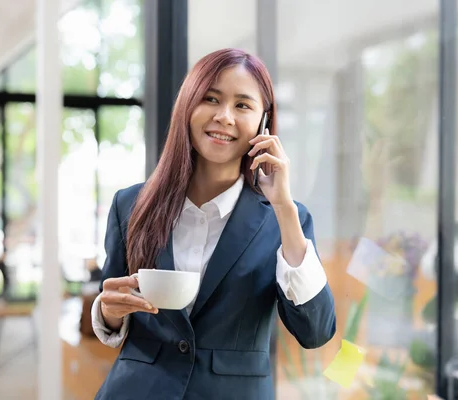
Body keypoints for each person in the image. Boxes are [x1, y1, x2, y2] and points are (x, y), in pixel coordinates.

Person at [91, 48, 336, 400]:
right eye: (211, 98)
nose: (224, 116)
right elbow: (114, 302)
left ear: (264, 122)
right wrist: (107, 310)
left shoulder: (285, 218)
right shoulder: (130, 204)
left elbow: (315, 332)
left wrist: (282, 204)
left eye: (242, 105)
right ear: (188, 106)